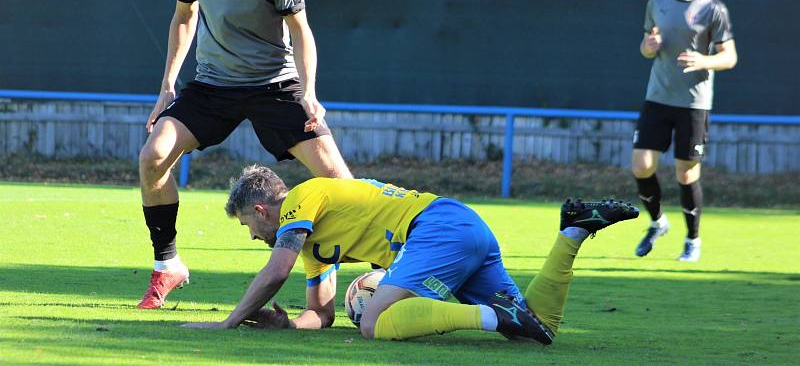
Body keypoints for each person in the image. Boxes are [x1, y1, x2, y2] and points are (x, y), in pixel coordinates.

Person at [137, 0, 352, 310]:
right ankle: (167, 264)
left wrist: (310, 92)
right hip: (214, 85)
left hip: (275, 84)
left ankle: (374, 266)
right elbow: (183, 17)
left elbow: (302, 31)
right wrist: (167, 87)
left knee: (337, 178)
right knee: (152, 156)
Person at [182, 165, 639, 344]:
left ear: (261, 210)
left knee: (374, 323)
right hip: (461, 228)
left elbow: (275, 269)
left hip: (436, 229)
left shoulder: (304, 196)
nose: (252, 235)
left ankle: (494, 317)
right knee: (540, 327)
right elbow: (320, 315)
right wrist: (288, 323)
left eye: (248, 224)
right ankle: (574, 231)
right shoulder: (314, 243)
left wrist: (227, 320)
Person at [631, 0, 737, 262]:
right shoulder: (656, 3)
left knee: (686, 174)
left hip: (694, 103)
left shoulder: (714, 9)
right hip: (658, 97)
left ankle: (693, 240)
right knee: (641, 165)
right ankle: (658, 221)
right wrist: (649, 45)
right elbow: (646, 49)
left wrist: (703, 61)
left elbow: (730, 57)